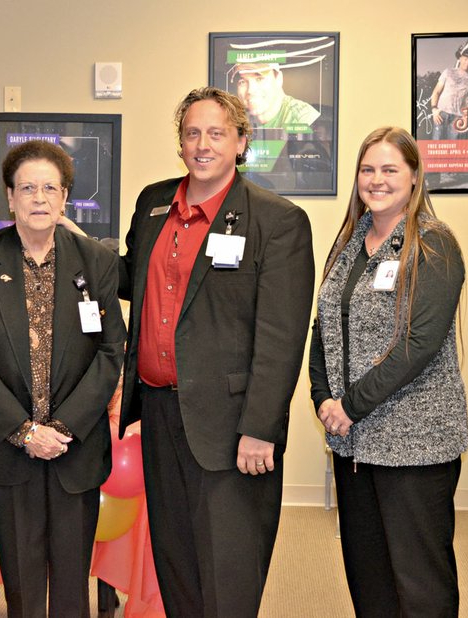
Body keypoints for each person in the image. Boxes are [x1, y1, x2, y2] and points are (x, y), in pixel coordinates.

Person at [117, 87, 314, 617]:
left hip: (232, 426)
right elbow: (130, 277)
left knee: (228, 572)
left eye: (216, 133)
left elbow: (281, 337)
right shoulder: (154, 202)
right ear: (180, 142)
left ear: (242, 141)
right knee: (175, 562)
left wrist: (260, 427)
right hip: (159, 413)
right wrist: (62, 241)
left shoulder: (276, 221)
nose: (202, 145)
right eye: (191, 133)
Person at [0, 140, 125, 617]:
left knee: (72, 581)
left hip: (76, 445)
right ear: (9, 198)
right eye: (27, 187)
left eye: (50, 187)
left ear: (65, 197)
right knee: (23, 581)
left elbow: (112, 350)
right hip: (8, 446)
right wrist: (26, 431)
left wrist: (63, 428)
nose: (39, 198)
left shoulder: (96, 262)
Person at [309, 126, 468, 617]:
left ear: (415, 178)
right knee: (369, 578)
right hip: (354, 445)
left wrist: (349, 405)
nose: (376, 180)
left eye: (390, 169)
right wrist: (322, 398)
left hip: (415, 445)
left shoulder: (434, 244)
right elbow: (323, 324)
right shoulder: (351, 241)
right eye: (367, 169)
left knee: (419, 584)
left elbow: (418, 344)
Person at [233, 62, 320, 128]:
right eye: (242, 82)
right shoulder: (239, 119)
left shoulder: (302, 117)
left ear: (279, 79)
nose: (250, 90)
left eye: (259, 79)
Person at [430, 47, 468, 140]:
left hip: (458, 118)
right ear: (460, 59)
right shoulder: (448, 72)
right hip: (441, 114)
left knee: (454, 149)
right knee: (436, 147)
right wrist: (434, 110)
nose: (467, 62)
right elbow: (436, 91)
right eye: (465, 59)